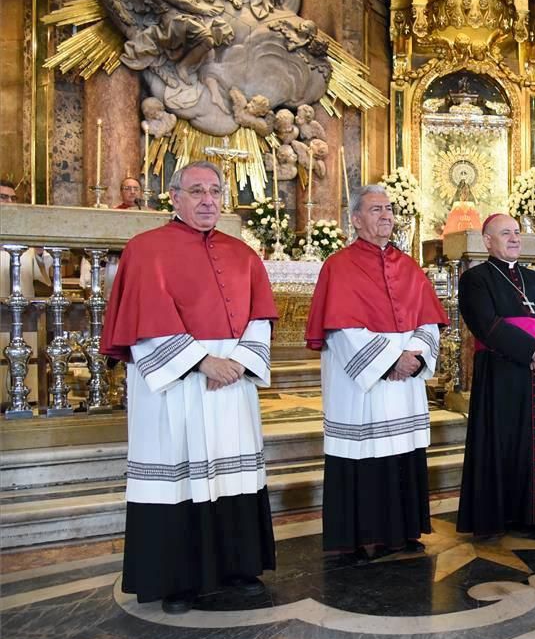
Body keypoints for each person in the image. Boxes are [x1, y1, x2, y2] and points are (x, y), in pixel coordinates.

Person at [100, 161, 278, 614]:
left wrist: (238, 361)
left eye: (215, 191)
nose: (207, 200)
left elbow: (260, 318)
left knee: (232, 473)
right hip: (175, 387)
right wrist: (203, 362)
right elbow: (144, 321)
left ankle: (238, 569)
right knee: (177, 479)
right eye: (196, 191)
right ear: (174, 197)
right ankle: (176, 581)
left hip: (232, 384)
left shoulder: (244, 254)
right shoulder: (145, 250)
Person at [305, 184, 447, 561]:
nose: (385, 215)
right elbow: (340, 329)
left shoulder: (409, 265)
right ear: (354, 219)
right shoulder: (338, 266)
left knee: (403, 453)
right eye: (375, 209)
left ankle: (403, 532)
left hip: (405, 381)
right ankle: (364, 537)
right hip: (363, 386)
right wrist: (389, 360)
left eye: (388, 209)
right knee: (366, 455)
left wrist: (414, 356)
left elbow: (429, 319)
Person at [456, 214, 535, 537]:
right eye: (505, 233)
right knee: (502, 441)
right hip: (501, 373)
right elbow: (486, 325)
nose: (514, 238)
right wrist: (531, 350)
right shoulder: (475, 279)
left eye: (517, 232)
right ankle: (498, 516)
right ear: (487, 241)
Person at [1, 180, 53, 410]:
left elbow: (44, 274)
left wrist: (41, 252)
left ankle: (25, 401)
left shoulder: (25, 240)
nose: (10, 202)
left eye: (13, 198)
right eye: (4, 197)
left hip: (23, 319)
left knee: (24, 364)